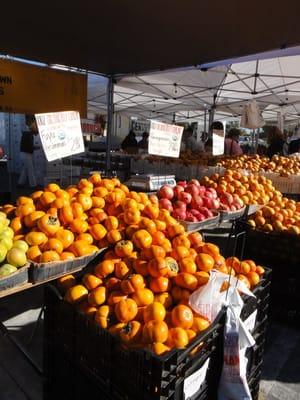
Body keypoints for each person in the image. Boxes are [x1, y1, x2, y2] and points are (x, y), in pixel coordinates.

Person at [18, 114, 39, 188]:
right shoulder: (28, 135)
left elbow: (28, 146)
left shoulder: (26, 134)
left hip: (23, 153)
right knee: (30, 170)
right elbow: (30, 147)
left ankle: (20, 183)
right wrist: (37, 148)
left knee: (25, 169)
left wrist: (35, 147)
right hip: (26, 154)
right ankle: (33, 185)